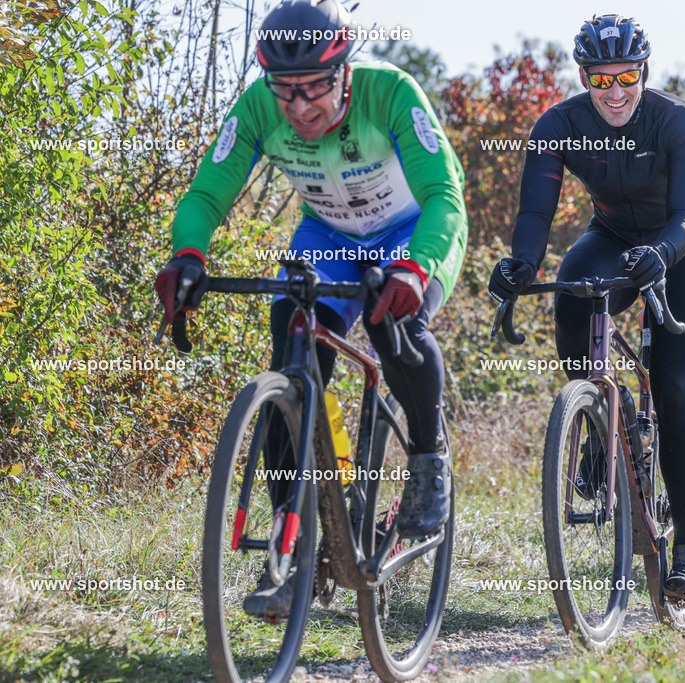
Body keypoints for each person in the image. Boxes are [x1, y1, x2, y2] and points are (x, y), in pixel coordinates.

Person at [154, 0, 467, 617]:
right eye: (285, 91)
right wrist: (187, 255)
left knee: (392, 319)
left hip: (413, 230)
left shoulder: (391, 93)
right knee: (292, 358)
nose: (299, 108)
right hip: (327, 237)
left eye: (315, 88)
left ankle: (429, 459)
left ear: (345, 72)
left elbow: (442, 195)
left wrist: (415, 265)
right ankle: (295, 543)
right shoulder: (256, 108)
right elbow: (206, 194)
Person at [488, 14, 685, 603]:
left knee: (670, 381)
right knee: (573, 290)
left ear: (645, 71)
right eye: (600, 79)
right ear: (584, 78)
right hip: (612, 236)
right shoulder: (559, 124)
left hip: (683, 247)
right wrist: (521, 264)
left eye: (627, 77)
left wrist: (662, 254)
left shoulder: (676, 119)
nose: (615, 92)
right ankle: (597, 418)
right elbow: (536, 213)